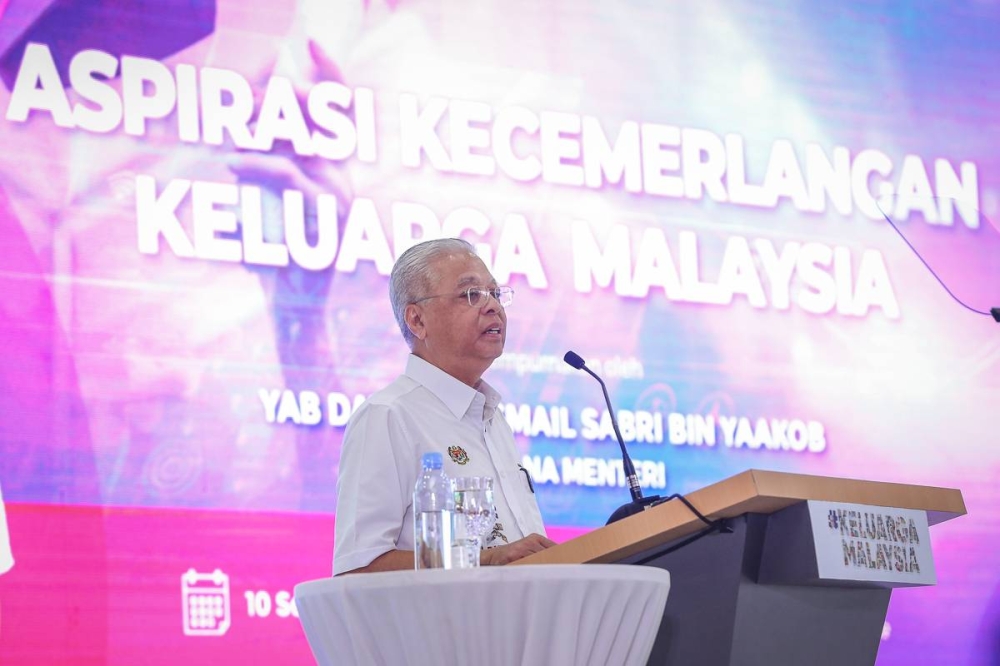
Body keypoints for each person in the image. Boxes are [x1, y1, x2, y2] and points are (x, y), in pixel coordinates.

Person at [333, 238, 555, 574]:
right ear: (417, 321)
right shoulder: (389, 417)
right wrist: (485, 560)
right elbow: (360, 567)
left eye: (495, 293)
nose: (493, 306)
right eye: (471, 295)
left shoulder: (493, 420)